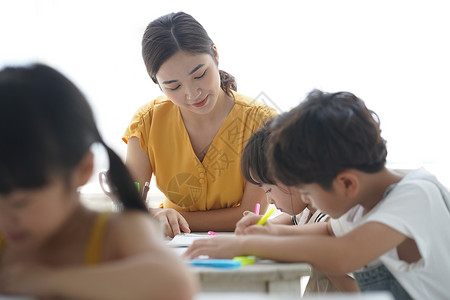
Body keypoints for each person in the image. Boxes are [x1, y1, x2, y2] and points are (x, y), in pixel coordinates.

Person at [185, 89, 450, 299]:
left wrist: (244, 245)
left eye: (307, 193)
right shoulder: (360, 202)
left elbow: (344, 252)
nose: (307, 202)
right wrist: (267, 232)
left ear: (346, 183)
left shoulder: (416, 194)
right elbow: (328, 232)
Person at [0, 64, 197, 300]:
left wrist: (46, 280)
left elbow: (175, 282)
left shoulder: (116, 232)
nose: (4, 217)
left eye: (20, 203)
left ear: (83, 170)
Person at [123, 11, 276, 237]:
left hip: (241, 249)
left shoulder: (261, 122)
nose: (192, 93)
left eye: (200, 74)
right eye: (173, 86)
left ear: (215, 54)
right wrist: (151, 214)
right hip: (171, 252)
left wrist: (164, 217)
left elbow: (248, 214)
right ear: (157, 83)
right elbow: (128, 205)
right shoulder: (146, 123)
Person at [236, 120, 359, 294]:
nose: (269, 200)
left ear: (293, 175)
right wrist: (266, 225)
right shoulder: (309, 210)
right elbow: (294, 221)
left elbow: (358, 291)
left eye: (269, 189)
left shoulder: (333, 216)